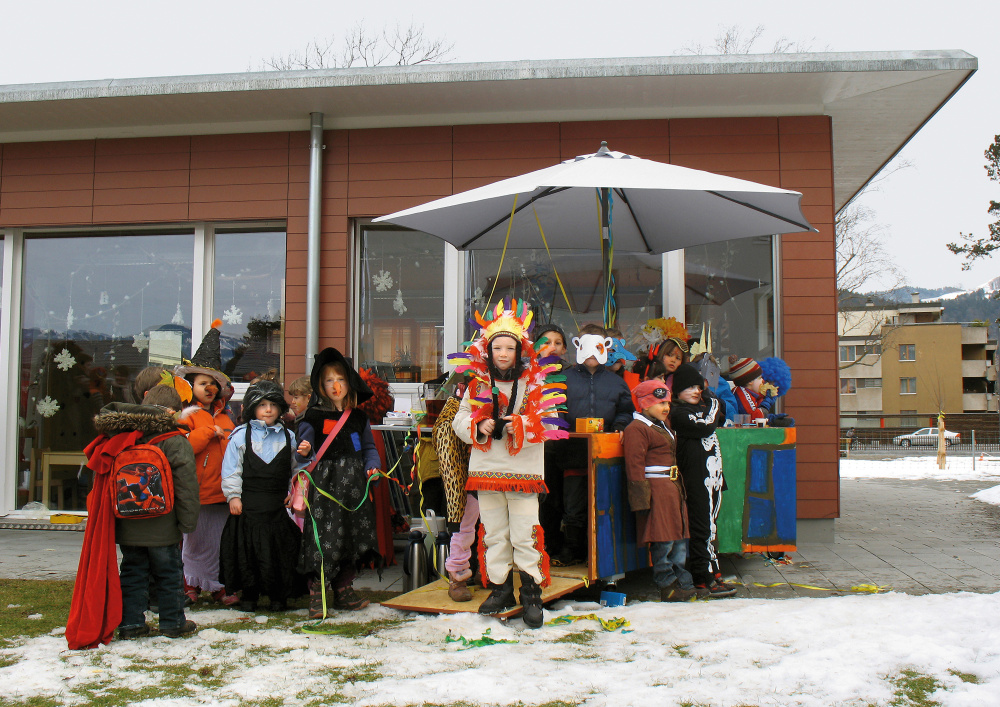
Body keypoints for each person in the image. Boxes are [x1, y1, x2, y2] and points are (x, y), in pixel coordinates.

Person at [450, 298, 567, 629]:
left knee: (524, 533)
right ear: (487, 351)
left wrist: (520, 426)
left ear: (520, 350)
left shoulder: (535, 383)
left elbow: (551, 420)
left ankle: (531, 593)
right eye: (496, 347)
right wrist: (478, 426)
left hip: (524, 473)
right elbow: (460, 421)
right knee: (495, 533)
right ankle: (500, 588)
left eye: (509, 348)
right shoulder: (477, 384)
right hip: (487, 472)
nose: (502, 354)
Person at [93, 388, 200, 640]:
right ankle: (173, 622)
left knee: (132, 573)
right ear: (174, 412)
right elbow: (186, 484)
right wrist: (188, 521)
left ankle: (131, 624)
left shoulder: (123, 436)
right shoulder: (175, 440)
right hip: (164, 523)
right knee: (169, 573)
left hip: (128, 523)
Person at [296, 348, 383, 618]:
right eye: (329, 381)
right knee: (323, 538)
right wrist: (305, 449)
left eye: (341, 380)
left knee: (351, 536)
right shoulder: (312, 417)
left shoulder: (358, 418)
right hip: (325, 488)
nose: (336, 386)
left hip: (354, 488)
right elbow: (304, 445)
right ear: (320, 387)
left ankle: (344, 590)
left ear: (350, 383)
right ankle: (317, 595)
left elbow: (368, 448)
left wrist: (373, 468)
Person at [219, 380, 312, 612]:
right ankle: (249, 595)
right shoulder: (240, 436)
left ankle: (278, 597)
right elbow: (232, 469)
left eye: (272, 404)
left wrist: (294, 492)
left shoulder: (289, 437)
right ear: (252, 408)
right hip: (248, 508)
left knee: (278, 554)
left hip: (276, 508)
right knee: (248, 554)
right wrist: (233, 497)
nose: (268, 409)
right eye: (262, 405)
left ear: (280, 408)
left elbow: (297, 469)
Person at [553, 323, 634, 567]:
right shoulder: (563, 379)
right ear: (577, 346)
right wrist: (561, 427)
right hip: (572, 454)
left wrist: (619, 427)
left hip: (606, 456)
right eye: (586, 345)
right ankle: (571, 549)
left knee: (604, 503)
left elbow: (626, 411)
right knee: (573, 504)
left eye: (597, 345)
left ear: (606, 348)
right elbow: (553, 409)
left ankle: (601, 552)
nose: (591, 353)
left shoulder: (616, 382)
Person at [175, 320, 238, 606]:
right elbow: (182, 449)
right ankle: (191, 584)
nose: (209, 388)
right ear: (191, 386)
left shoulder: (226, 418)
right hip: (196, 491)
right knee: (194, 542)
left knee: (219, 542)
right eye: (203, 383)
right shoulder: (185, 417)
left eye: (213, 384)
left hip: (220, 493)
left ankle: (218, 584)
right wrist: (205, 433)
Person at [622, 380, 695, 602]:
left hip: (672, 488)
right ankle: (667, 583)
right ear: (644, 404)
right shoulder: (636, 429)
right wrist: (641, 501)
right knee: (663, 538)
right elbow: (634, 466)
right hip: (657, 489)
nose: (666, 407)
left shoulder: (663, 425)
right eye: (659, 402)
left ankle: (683, 580)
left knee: (679, 537)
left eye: (667, 402)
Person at [669, 364, 736, 598]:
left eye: (699, 386)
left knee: (711, 528)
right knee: (702, 528)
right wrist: (714, 402)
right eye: (689, 387)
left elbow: (723, 414)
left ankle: (713, 571)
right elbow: (707, 426)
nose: (696, 391)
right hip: (697, 479)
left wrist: (713, 402)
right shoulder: (677, 413)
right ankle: (702, 575)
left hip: (714, 477)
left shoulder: (706, 407)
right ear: (677, 391)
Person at [534, 323, 569, 558]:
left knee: (557, 500)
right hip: (536, 447)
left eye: (557, 343)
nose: (552, 347)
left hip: (564, 447)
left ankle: (554, 546)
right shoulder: (529, 375)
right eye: (546, 342)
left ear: (565, 349)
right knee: (537, 501)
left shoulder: (572, 374)